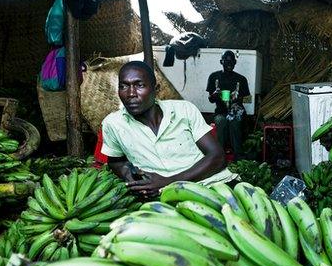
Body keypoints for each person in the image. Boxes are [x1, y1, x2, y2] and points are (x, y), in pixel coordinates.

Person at [101, 61, 237, 197]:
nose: (131, 93)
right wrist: (130, 177)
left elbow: (218, 157)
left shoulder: (184, 110)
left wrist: (169, 182)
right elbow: (115, 161)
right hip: (163, 196)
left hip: (214, 184)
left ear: (156, 89)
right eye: (123, 86)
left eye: (140, 85)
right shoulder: (113, 124)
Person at [206, 50, 251, 159]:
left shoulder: (241, 79)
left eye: (232, 62)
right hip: (220, 112)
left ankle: (238, 155)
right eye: (226, 62)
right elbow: (211, 99)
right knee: (221, 121)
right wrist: (215, 95)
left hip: (236, 112)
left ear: (235, 63)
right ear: (221, 62)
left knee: (235, 123)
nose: (229, 65)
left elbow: (246, 98)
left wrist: (237, 99)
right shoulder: (214, 77)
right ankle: (219, 155)